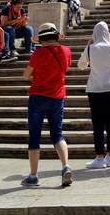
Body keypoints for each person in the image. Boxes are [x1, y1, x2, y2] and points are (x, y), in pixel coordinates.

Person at [21, 23, 73, 187]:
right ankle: (65, 166)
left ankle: (33, 175)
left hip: (38, 96)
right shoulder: (66, 51)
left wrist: (35, 78)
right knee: (57, 135)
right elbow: (65, 70)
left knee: (34, 136)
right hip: (57, 97)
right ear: (56, 36)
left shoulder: (38, 53)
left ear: (42, 38)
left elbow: (26, 75)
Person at [78, 21, 110, 169]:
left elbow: (81, 66)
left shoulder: (90, 48)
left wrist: (89, 49)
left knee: (98, 125)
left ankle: (99, 157)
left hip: (95, 89)